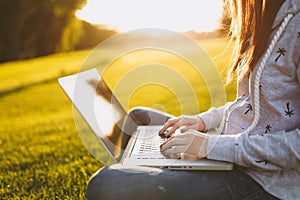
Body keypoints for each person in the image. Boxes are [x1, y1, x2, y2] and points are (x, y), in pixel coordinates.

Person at [86, 0, 300, 199]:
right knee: (138, 117)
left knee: (104, 183)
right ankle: (142, 168)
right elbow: (250, 103)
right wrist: (204, 121)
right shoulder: (265, 16)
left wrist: (210, 147)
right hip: (232, 154)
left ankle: (141, 174)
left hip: (266, 183)